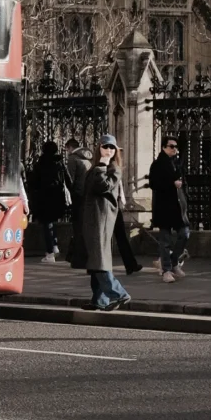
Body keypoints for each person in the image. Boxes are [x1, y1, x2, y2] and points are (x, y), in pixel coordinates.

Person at [82, 133, 131, 312]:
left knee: (99, 259)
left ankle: (118, 293)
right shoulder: (96, 167)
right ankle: (99, 300)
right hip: (92, 217)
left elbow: (103, 186)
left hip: (101, 219)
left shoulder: (113, 168)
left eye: (112, 148)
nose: (109, 150)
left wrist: (102, 164)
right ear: (99, 148)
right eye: (105, 146)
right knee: (95, 259)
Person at [149, 135, 190, 283]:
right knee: (165, 240)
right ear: (164, 147)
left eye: (176, 146)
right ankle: (166, 269)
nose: (175, 149)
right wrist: (171, 184)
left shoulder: (177, 163)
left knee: (184, 234)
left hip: (178, 207)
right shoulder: (158, 164)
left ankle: (173, 262)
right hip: (164, 206)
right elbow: (154, 184)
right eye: (171, 146)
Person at [27, 140, 68, 262]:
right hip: (56, 197)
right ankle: (54, 247)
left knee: (47, 224)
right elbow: (66, 179)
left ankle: (50, 252)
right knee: (51, 223)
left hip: (44, 198)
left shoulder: (41, 163)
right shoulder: (59, 163)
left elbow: (34, 181)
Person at [64, 137, 93, 269]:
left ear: (69, 147)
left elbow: (70, 179)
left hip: (77, 196)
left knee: (77, 227)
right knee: (84, 226)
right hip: (88, 196)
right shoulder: (88, 158)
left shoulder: (73, 158)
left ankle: (77, 258)